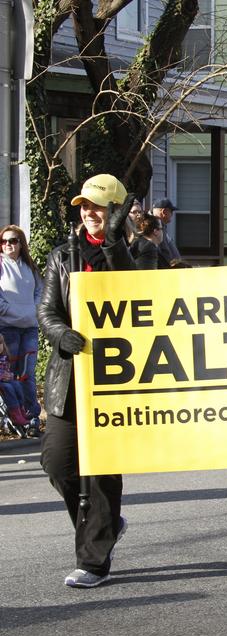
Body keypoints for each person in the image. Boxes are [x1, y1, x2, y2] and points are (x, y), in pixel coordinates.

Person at [38, 173, 137, 588]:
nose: (90, 213)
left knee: (99, 471)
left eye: (98, 206)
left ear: (116, 210)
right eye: (84, 206)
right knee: (58, 464)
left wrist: (115, 244)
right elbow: (46, 313)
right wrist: (61, 334)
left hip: (113, 379)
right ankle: (106, 522)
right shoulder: (62, 255)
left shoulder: (138, 253)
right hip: (68, 378)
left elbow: (137, 295)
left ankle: (93, 560)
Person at [0, 224, 44, 433]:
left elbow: (40, 291)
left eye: (13, 240)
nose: (8, 244)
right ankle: (15, 417)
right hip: (7, 329)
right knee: (8, 376)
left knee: (27, 374)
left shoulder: (30, 266)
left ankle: (32, 415)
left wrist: (33, 310)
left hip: (29, 328)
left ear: (21, 243)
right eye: (4, 241)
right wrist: (13, 311)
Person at [0, 333, 31, 428]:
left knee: (17, 384)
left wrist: (9, 375)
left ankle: (21, 410)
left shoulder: (4, 357)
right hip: (2, 382)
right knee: (8, 387)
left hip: (5, 380)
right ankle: (15, 415)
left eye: (0, 343)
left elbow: (7, 370)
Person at [150, 198, 183, 265]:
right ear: (164, 212)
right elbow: (164, 251)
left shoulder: (160, 224)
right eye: (171, 212)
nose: (172, 215)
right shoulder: (154, 227)